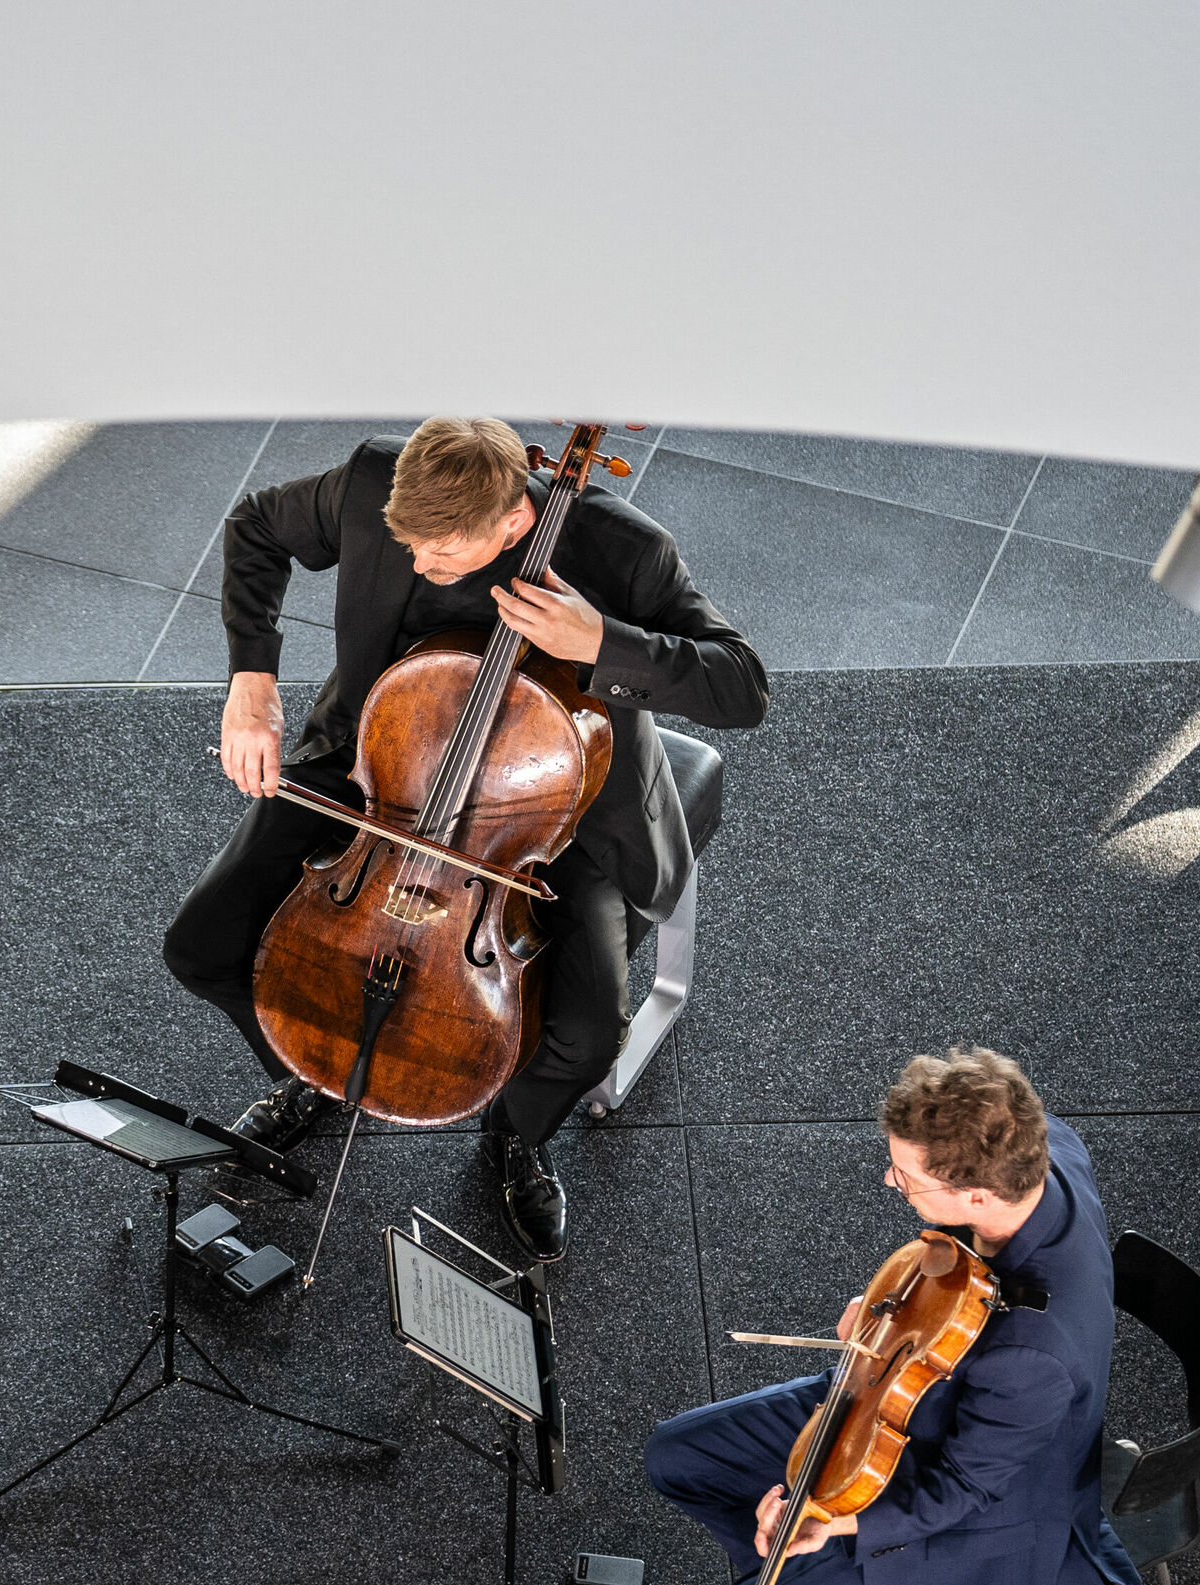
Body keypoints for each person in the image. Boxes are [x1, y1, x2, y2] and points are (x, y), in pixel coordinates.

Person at [163, 418, 767, 1260]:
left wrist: (603, 642)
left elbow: (743, 686)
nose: (417, 565)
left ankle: (514, 1136)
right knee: (201, 947)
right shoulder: (375, 480)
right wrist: (251, 681)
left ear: (515, 521)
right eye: (407, 545)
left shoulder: (626, 551)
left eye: (441, 552)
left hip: (552, 809)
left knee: (586, 1036)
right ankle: (316, 1068)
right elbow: (257, 525)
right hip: (382, 767)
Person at [644, 1048, 1140, 1585]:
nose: (889, 1181)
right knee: (678, 1457)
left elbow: (961, 1492)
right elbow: (952, 1278)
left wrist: (829, 1521)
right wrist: (894, 1311)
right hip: (909, 1385)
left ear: (976, 1193)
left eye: (906, 1178)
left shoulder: (1034, 1355)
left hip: (974, 1521)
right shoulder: (1047, 1151)